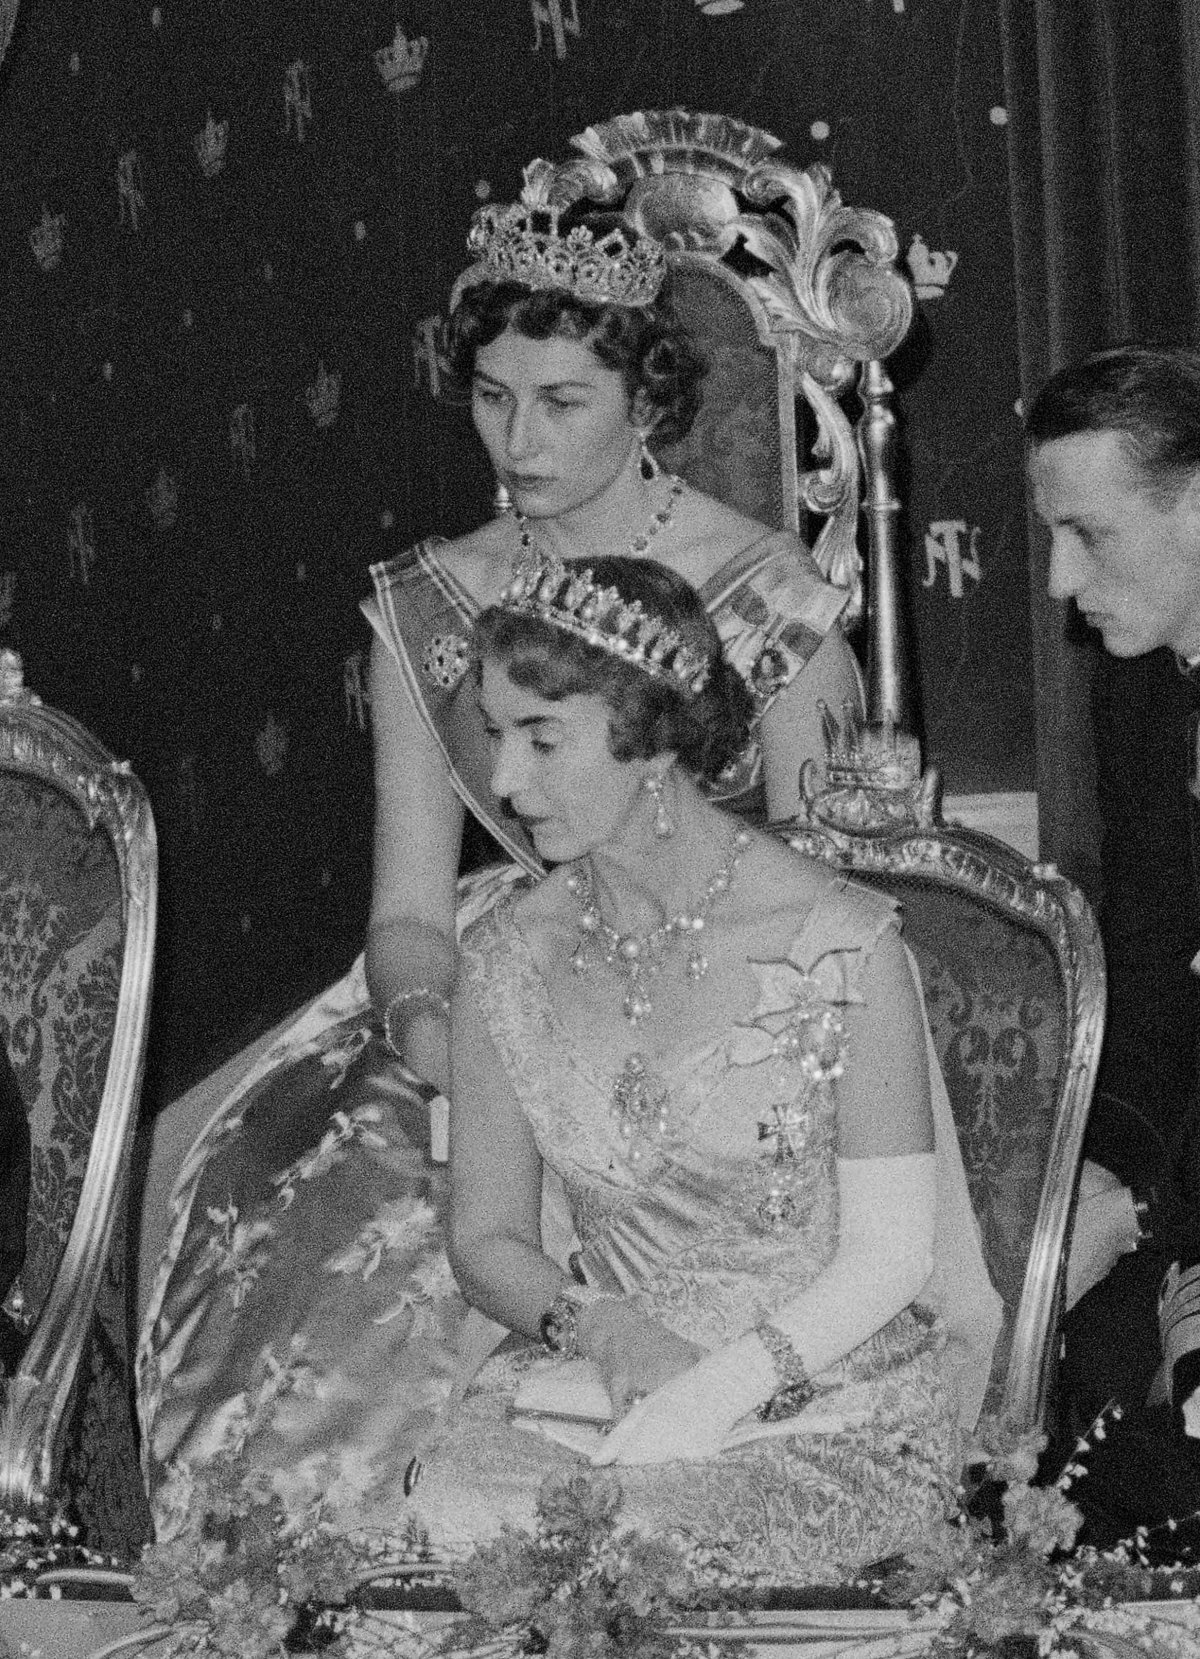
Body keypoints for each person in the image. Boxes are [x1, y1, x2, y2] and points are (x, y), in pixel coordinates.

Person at [135, 199, 863, 1520]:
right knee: (331, 1202)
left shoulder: (770, 596)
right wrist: (444, 1042)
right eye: (491, 397)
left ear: (648, 401)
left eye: (563, 402)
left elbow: (832, 892)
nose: (520, 442)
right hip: (497, 982)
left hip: (719, 999)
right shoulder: (432, 602)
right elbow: (410, 911)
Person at [379, 554, 1001, 1582]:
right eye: (496, 733)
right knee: (459, 1507)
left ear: (654, 739)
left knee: (638, 1543)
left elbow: (893, 1256)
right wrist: (604, 1328)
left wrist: (718, 1388)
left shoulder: (840, 945)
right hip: (599, 1382)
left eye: (543, 737)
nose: (504, 781)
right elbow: (487, 1239)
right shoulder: (503, 959)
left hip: (826, 1397)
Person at [1025, 344, 1200, 1544]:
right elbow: (1148, 957)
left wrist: (1149, 1212)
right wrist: (1107, 1181)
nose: (1059, 580)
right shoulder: (1137, 688)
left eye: (1089, 534)